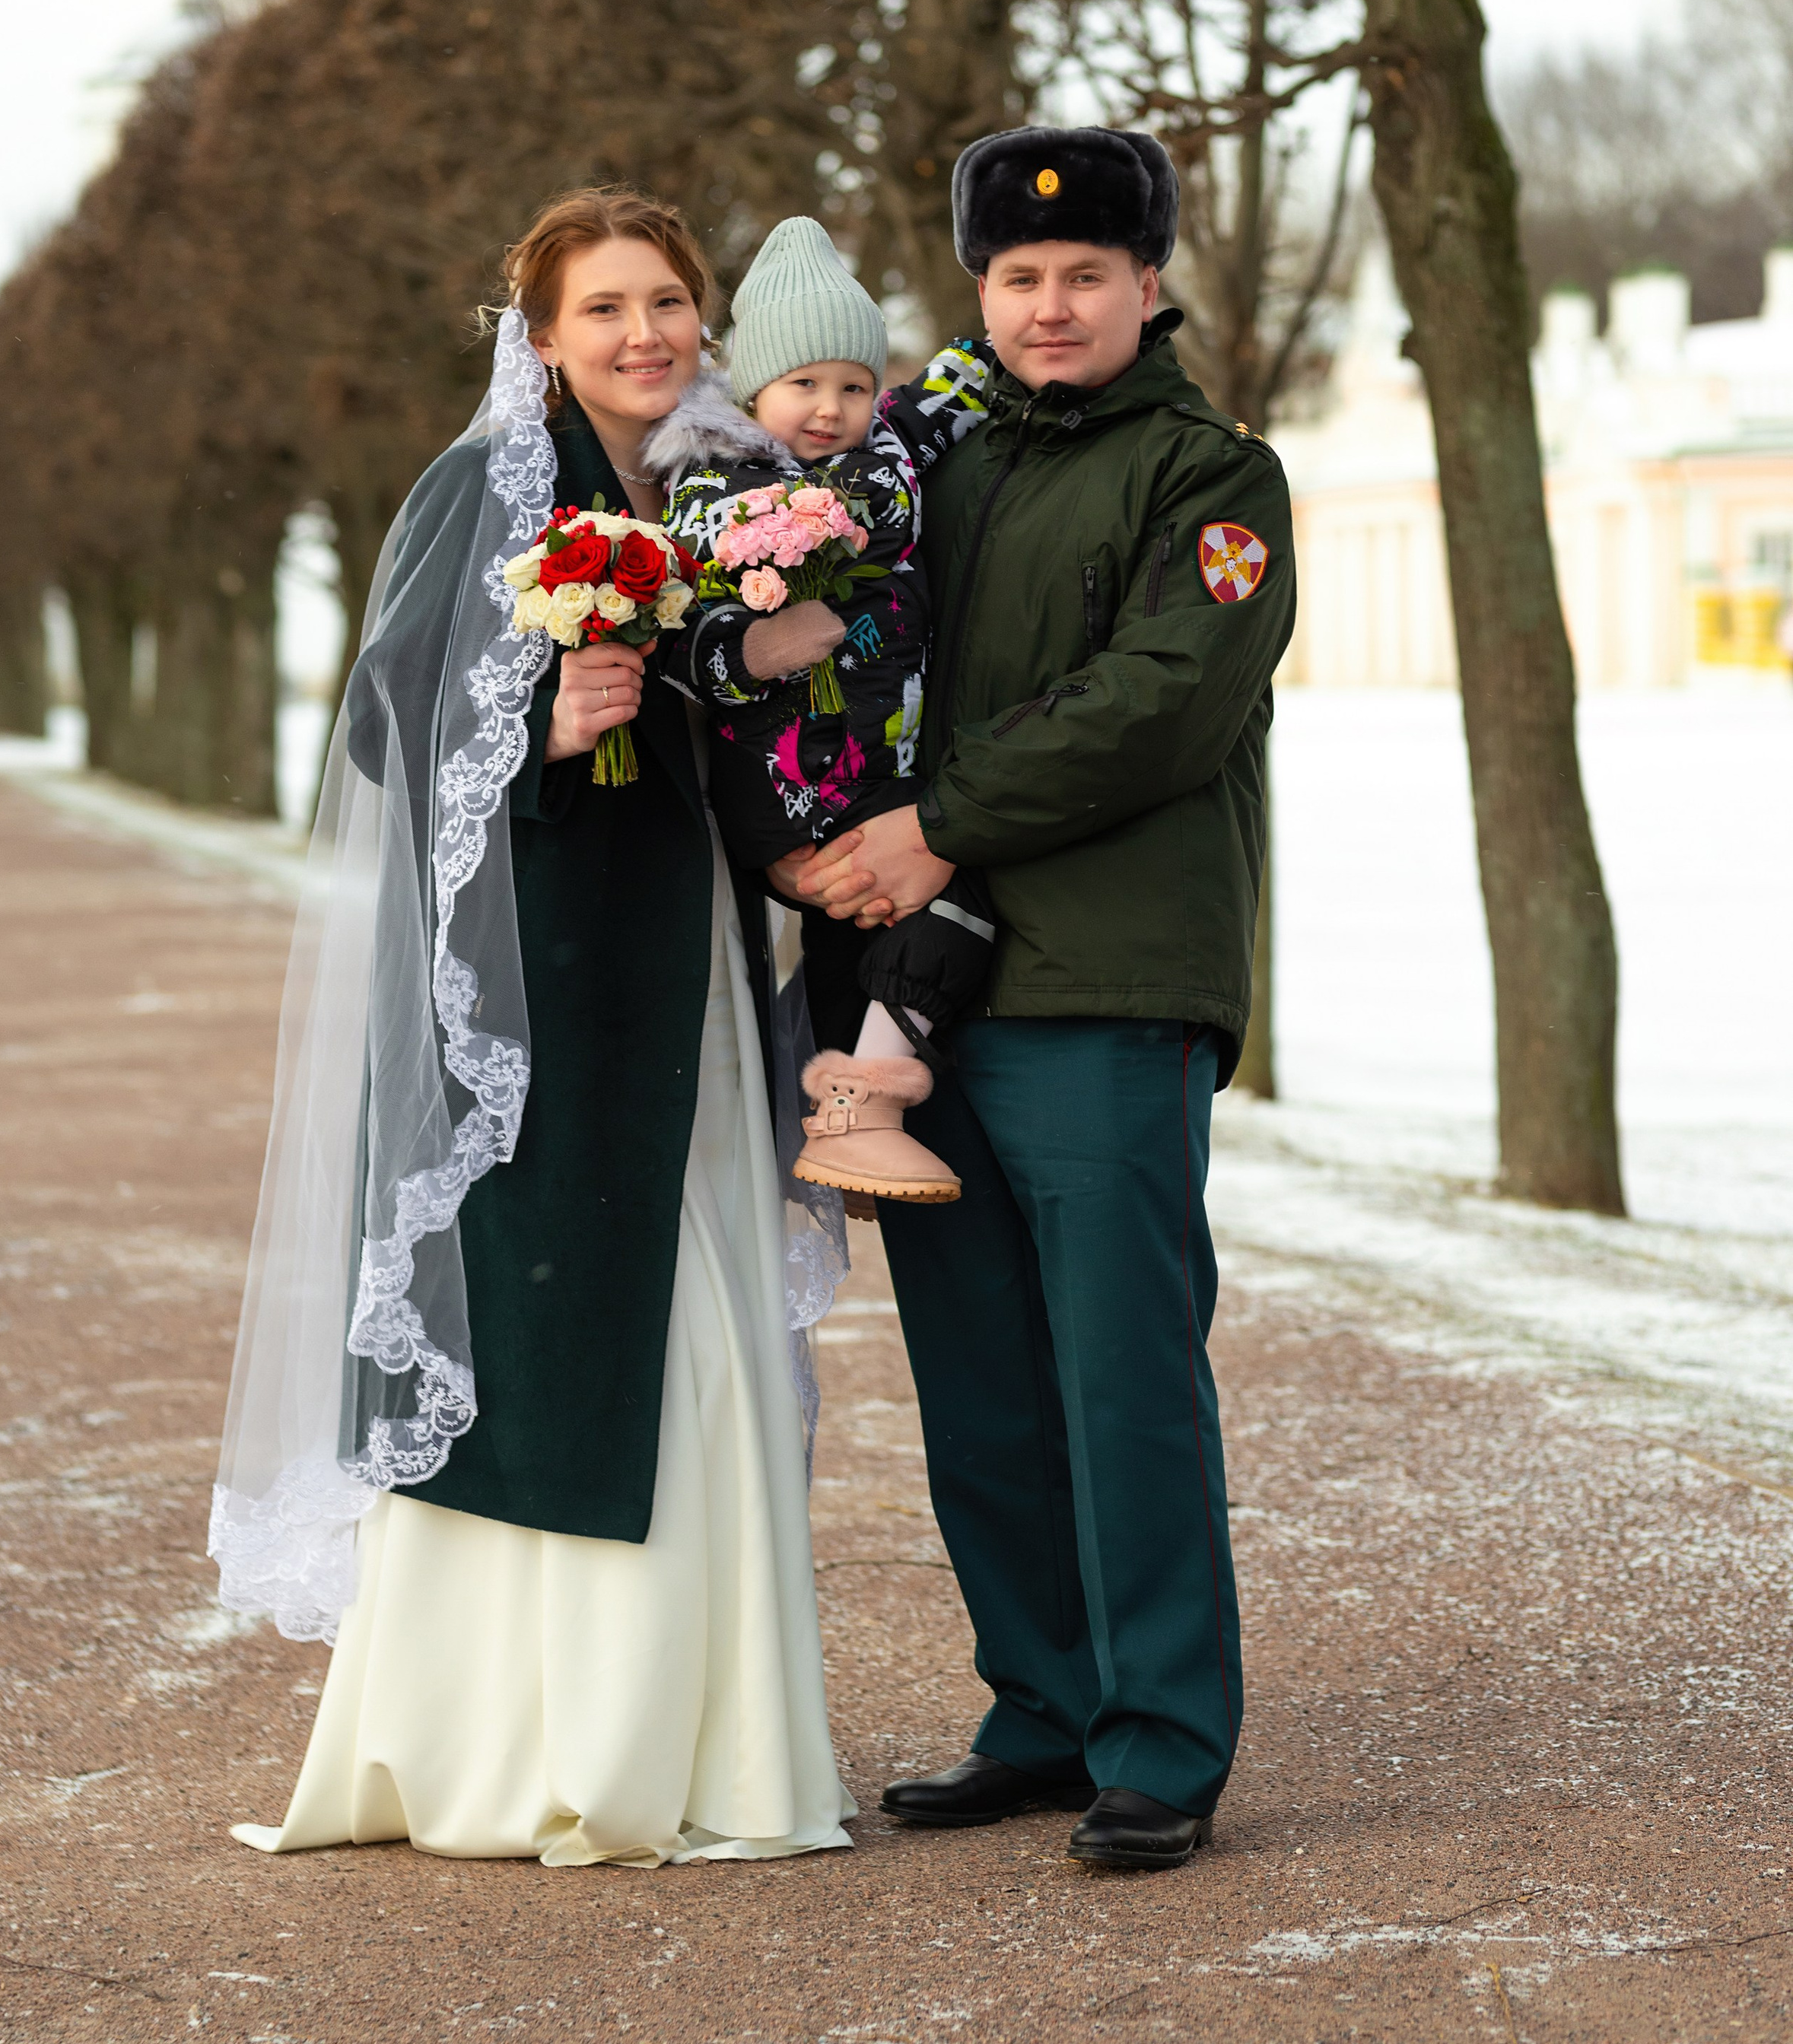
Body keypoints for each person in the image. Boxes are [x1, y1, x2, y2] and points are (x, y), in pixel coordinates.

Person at [211, 185, 854, 1870]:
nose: (643, 334)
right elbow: (376, 732)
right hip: (531, 998)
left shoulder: (733, 493)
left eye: (665, 302)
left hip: (691, 976)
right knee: (553, 1336)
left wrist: (789, 660)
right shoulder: (479, 489)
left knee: (700, 1302)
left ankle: (714, 1738)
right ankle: (524, 1747)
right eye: (603, 310)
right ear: (543, 337)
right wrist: (539, 730)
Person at [796, 126, 1295, 1874]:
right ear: (979, 292)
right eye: (1017, 276)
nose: (1051, 302)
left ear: (1148, 285)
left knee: (1121, 1377)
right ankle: (1041, 1705)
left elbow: (1159, 702)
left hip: (1101, 981)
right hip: (924, 1008)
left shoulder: (1213, 479)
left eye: (1087, 273)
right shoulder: (927, 466)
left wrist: (932, 827)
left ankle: (1160, 1736)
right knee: (982, 1381)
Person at [646, 214, 994, 1208]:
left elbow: (951, 389)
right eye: (804, 385)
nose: (832, 408)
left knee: (910, 918)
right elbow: (695, 621)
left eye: (851, 383)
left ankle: (848, 1113)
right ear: (754, 391)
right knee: (920, 899)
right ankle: (853, 1108)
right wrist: (764, 623)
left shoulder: (887, 449)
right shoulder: (724, 482)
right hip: (791, 769)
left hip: (886, 753)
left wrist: (1008, 339)